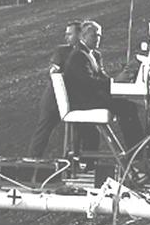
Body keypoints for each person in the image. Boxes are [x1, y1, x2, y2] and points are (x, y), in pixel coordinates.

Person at [61, 19, 146, 151]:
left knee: (127, 106)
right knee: (127, 107)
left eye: (99, 36)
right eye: (94, 36)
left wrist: (119, 79)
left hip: (91, 98)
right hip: (83, 102)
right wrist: (113, 83)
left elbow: (101, 77)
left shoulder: (92, 54)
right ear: (83, 36)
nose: (98, 39)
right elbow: (88, 83)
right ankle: (138, 152)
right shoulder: (79, 55)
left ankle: (138, 150)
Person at [25, 20, 99, 157]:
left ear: (80, 35)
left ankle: (80, 162)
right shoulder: (62, 51)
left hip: (78, 100)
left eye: (70, 34)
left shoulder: (94, 55)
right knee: (44, 130)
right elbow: (55, 68)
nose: (66, 37)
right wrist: (55, 71)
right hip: (54, 99)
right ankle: (32, 161)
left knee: (86, 130)